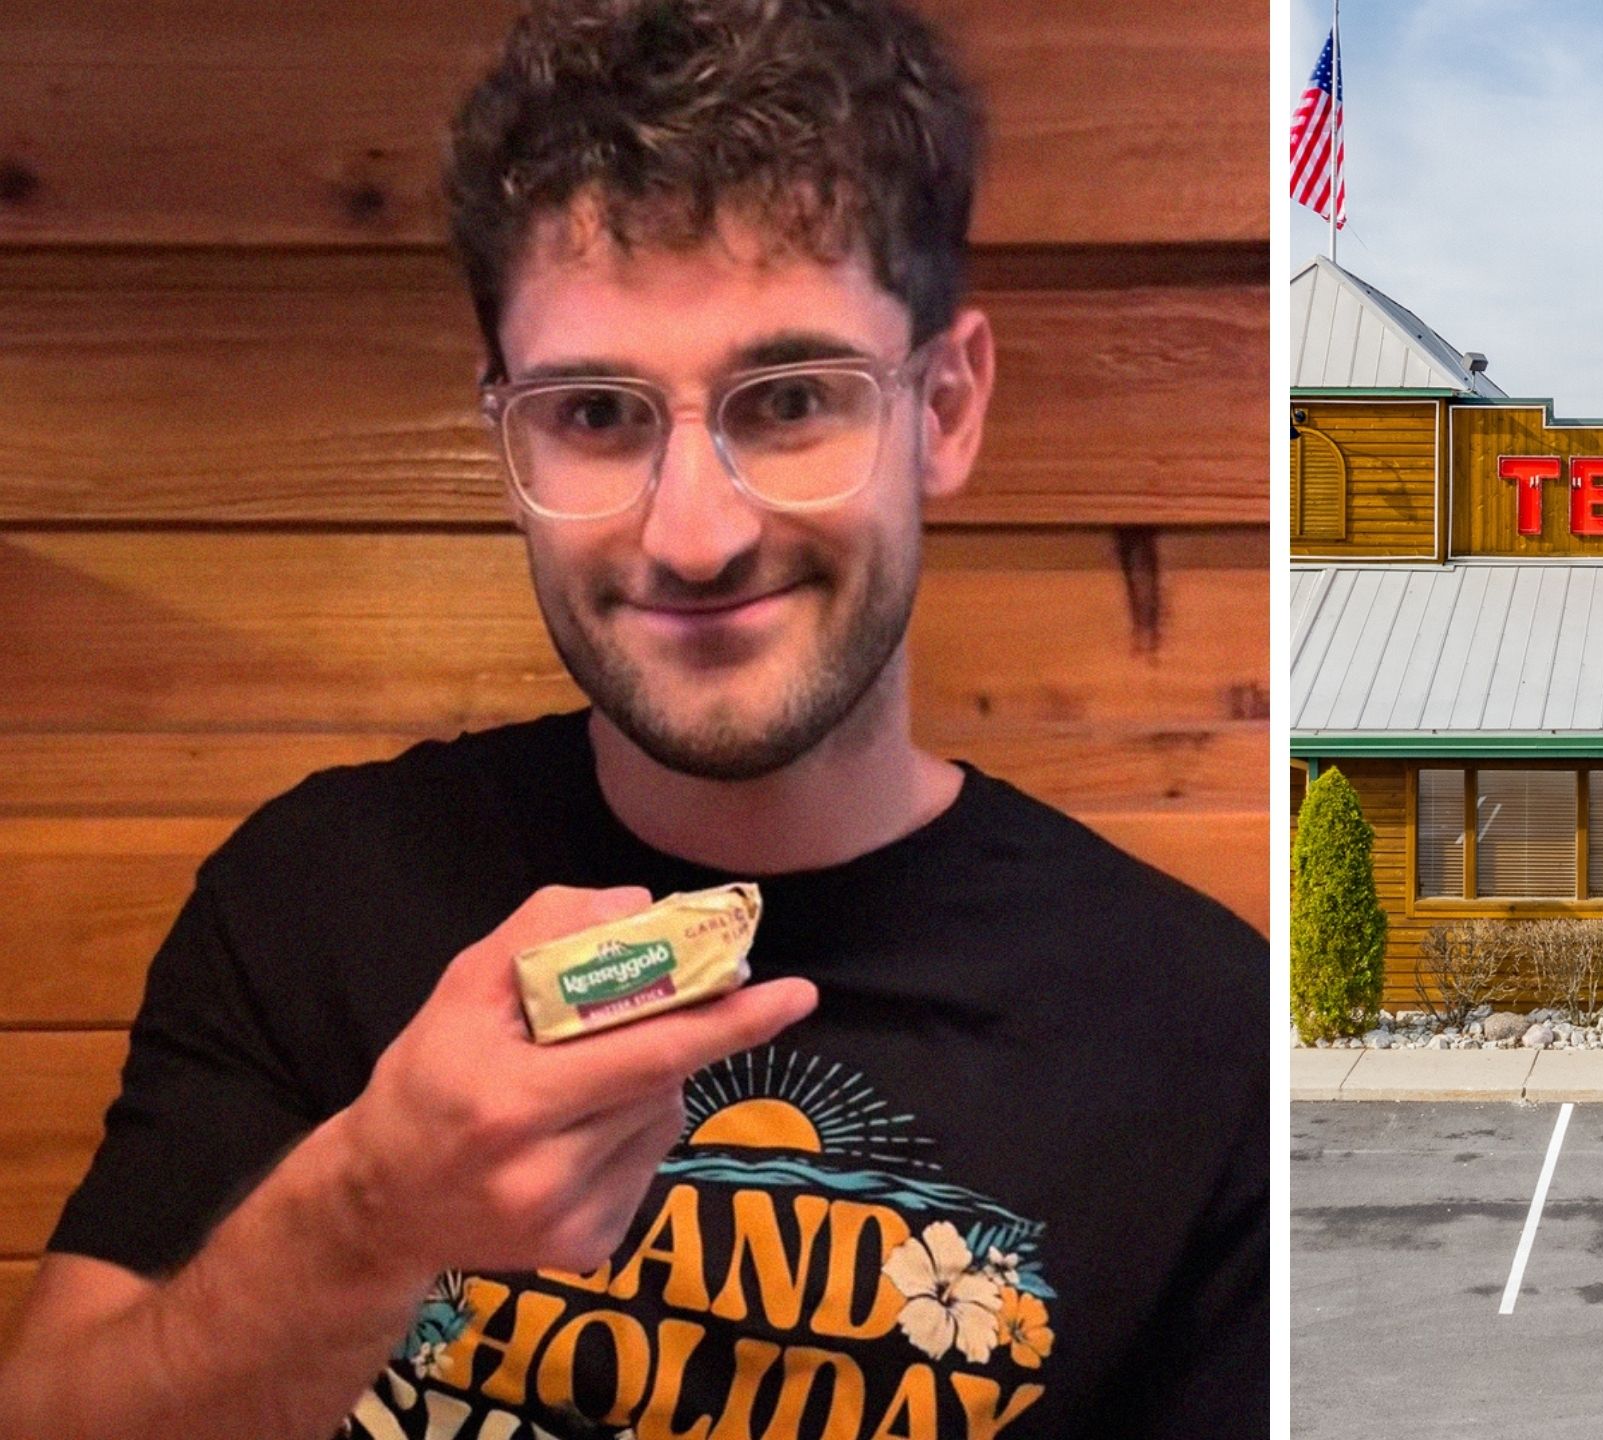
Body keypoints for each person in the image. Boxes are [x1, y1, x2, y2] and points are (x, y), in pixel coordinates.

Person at [0, 1, 1268, 1436]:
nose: (695, 534)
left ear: (947, 408)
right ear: (506, 437)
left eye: (790, 398)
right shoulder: (311, 894)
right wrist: (361, 1220)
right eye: (596, 415)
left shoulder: (1207, 1039)